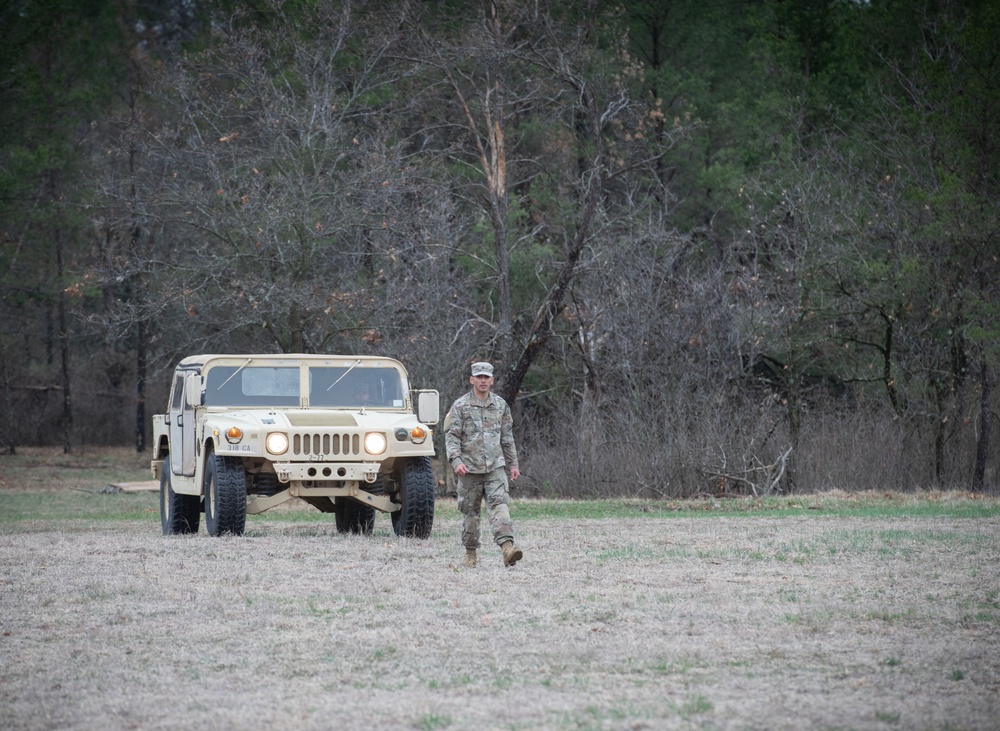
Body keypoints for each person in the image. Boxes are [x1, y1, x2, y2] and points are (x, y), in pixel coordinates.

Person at [444, 361, 523, 568]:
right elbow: (452, 437)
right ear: (472, 380)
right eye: (479, 377)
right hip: (469, 469)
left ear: (492, 380)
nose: (482, 381)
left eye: (486, 377)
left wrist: (513, 464)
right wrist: (456, 460)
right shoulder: (460, 406)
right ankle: (470, 554)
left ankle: (508, 548)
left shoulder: (500, 405)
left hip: (495, 467)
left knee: (499, 505)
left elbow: (507, 437)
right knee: (471, 513)